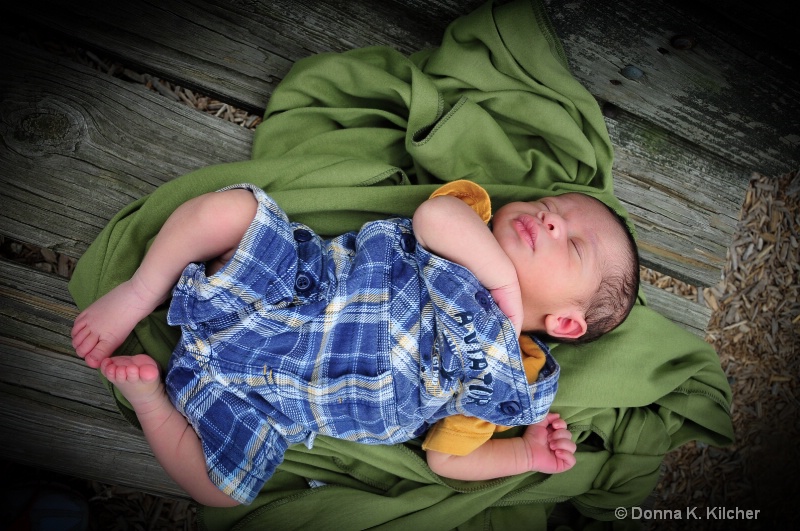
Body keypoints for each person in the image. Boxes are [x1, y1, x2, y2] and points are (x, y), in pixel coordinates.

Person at [71, 180, 639, 507]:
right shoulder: (469, 226)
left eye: (575, 246)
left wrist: (524, 453)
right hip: (289, 292)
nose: (552, 220)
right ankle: (143, 289)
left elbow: (445, 457)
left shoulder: (508, 382)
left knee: (221, 490)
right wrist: (499, 279)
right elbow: (431, 216)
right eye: (553, 206)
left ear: (565, 323)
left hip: (271, 402)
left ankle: (152, 403)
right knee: (234, 210)